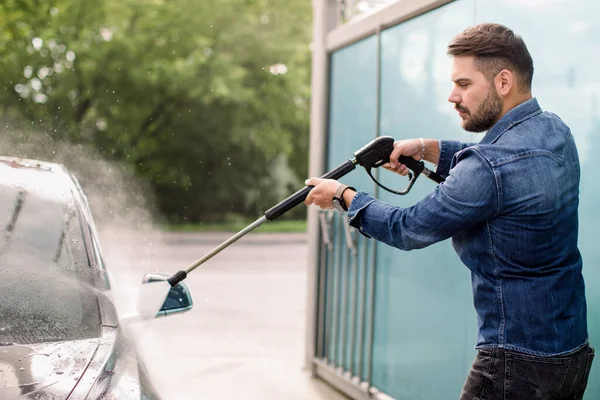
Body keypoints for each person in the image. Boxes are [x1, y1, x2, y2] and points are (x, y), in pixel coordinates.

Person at [304, 23, 594, 399]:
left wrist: (344, 196)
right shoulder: (555, 131)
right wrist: (426, 148)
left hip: (515, 365)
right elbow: (496, 166)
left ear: (503, 82)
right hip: (569, 353)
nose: (452, 96)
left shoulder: (488, 167)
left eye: (463, 84)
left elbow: (408, 228)